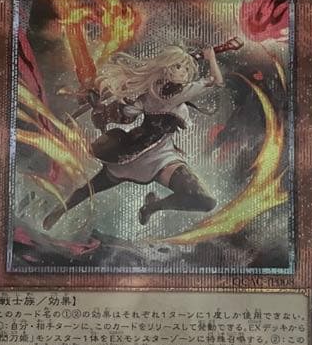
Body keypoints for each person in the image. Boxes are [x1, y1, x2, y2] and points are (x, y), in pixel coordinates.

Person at [43, 43, 226, 230]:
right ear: (166, 69)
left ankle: (63, 209)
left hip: (148, 155)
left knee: (93, 186)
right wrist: (211, 57)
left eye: (187, 69)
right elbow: (217, 81)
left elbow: (126, 114)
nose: (185, 73)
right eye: (180, 67)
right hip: (149, 157)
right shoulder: (177, 93)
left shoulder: (151, 94)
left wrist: (105, 109)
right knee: (206, 201)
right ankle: (152, 207)